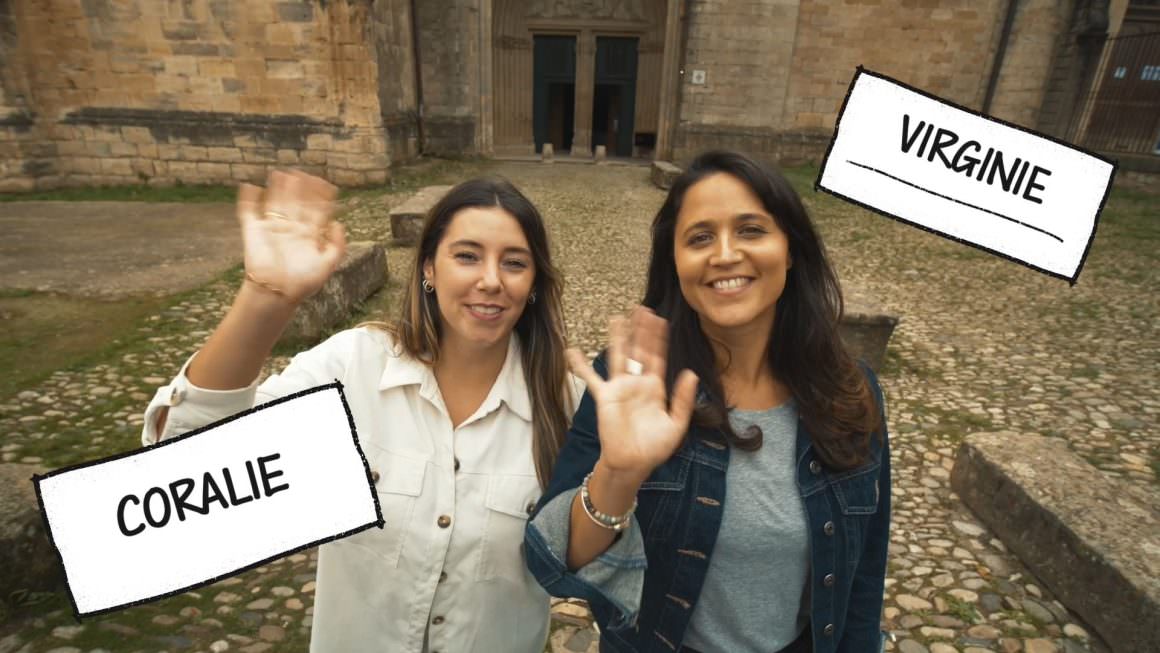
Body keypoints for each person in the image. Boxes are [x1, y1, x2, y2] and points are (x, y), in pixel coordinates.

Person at [141, 169, 582, 652]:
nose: (491, 280)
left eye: (514, 263)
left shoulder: (567, 401)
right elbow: (185, 458)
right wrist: (264, 299)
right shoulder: (354, 367)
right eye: (467, 256)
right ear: (429, 269)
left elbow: (583, 561)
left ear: (535, 281)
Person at [525, 150, 890, 653]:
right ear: (674, 262)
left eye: (751, 230)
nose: (723, 254)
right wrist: (619, 473)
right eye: (699, 238)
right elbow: (552, 562)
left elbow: (864, 577)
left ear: (790, 249)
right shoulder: (628, 383)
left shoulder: (852, 392)